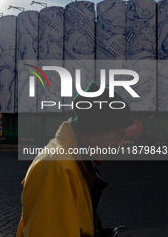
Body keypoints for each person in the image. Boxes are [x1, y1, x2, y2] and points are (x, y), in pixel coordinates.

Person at [16, 82, 134, 237]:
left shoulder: (71, 160)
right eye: (121, 134)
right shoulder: (56, 166)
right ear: (98, 127)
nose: (120, 144)